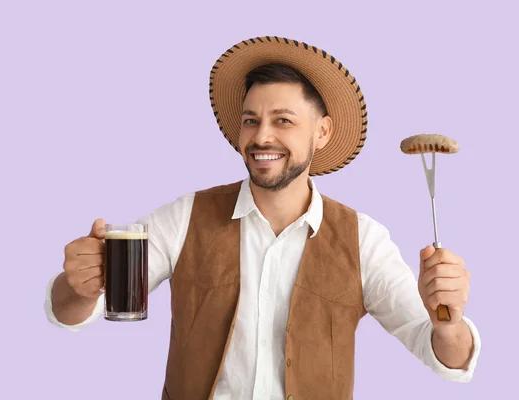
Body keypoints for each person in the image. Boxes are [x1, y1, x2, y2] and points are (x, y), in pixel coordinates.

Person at [45, 36, 481, 400]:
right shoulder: (185, 217)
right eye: (251, 120)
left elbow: (448, 357)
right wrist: (80, 286)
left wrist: (450, 323)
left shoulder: (363, 240)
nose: (262, 136)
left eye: (283, 120)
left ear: (322, 132)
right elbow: (73, 311)